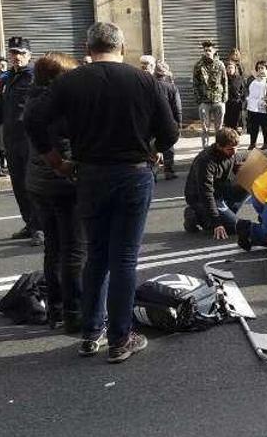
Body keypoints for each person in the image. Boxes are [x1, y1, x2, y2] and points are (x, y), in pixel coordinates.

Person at [24, 22, 179, 363]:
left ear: (88, 47)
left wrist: (57, 162)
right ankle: (121, 338)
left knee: (96, 254)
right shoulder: (145, 80)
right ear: (122, 48)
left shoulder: (70, 81)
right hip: (133, 174)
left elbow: (33, 121)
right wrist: (152, 149)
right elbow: (170, 132)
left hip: (90, 175)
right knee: (124, 257)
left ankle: (91, 332)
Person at [24, 52, 85, 333]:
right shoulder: (58, 105)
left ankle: (56, 312)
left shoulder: (33, 99)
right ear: (57, 78)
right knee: (73, 250)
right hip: (62, 183)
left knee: (53, 248)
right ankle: (74, 312)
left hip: (38, 183)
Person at [0, 37, 41, 245]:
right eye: (14, 53)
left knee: (31, 183)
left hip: (30, 138)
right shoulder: (6, 79)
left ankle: (40, 227)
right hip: (12, 139)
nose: (17, 57)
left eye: (21, 53)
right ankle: (30, 222)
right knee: (18, 184)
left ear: (29, 55)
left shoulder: (35, 77)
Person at [182, 127, 249, 237]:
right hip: (201, 197)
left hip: (221, 190)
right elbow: (206, 193)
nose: (234, 152)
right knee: (232, 228)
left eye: (236, 148)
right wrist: (217, 222)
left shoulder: (231, 152)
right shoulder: (206, 162)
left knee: (248, 184)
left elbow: (235, 163)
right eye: (230, 149)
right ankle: (195, 215)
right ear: (219, 146)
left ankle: (224, 215)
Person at [192, 40, 228, 148]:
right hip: (204, 101)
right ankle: (205, 148)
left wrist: (224, 97)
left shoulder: (220, 64)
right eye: (205, 50)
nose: (207, 52)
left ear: (214, 51)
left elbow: (224, 80)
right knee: (205, 127)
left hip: (218, 100)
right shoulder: (198, 65)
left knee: (219, 127)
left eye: (209, 50)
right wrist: (198, 99)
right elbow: (195, 83)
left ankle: (219, 146)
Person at [154, 60, 182, 179]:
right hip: (168, 121)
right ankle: (168, 171)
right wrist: (179, 122)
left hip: (152, 120)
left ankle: (153, 172)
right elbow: (177, 107)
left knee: (153, 146)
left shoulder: (149, 86)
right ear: (166, 74)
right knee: (168, 146)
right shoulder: (172, 87)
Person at [243, 60, 267, 150]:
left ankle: (266, 143)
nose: (260, 70)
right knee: (253, 127)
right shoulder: (251, 78)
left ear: (266, 69)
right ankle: (252, 144)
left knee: (265, 127)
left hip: (265, 107)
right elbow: (246, 89)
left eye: (262, 68)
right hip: (252, 107)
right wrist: (247, 97)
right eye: (258, 68)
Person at [223, 61, 244, 131]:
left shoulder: (240, 79)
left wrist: (240, 97)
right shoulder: (223, 79)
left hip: (236, 104)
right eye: (228, 68)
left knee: (237, 122)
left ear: (235, 69)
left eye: (232, 68)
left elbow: (244, 90)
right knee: (228, 123)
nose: (230, 69)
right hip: (226, 103)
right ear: (226, 69)